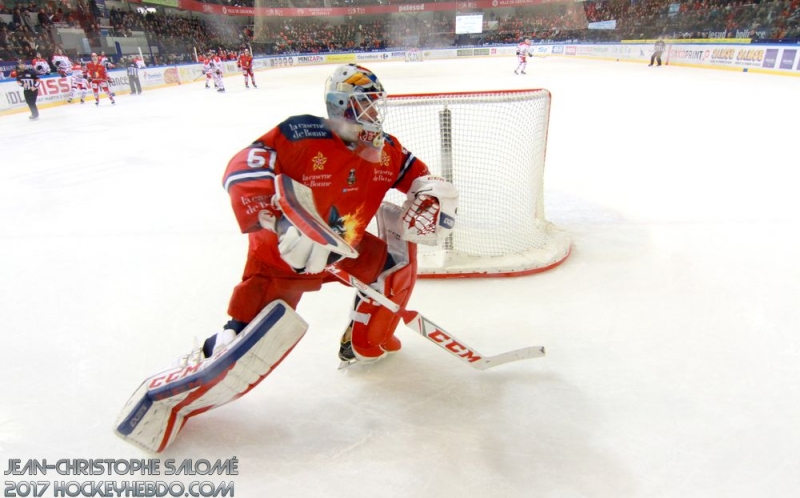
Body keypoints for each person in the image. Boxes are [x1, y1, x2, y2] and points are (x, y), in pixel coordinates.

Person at [115, 64, 459, 453]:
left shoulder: (387, 150)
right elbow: (241, 168)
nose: (374, 113)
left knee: (393, 270)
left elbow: (417, 175)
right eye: (366, 104)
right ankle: (173, 395)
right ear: (341, 105)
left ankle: (365, 343)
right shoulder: (300, 134)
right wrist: (277, 222)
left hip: (347, 244)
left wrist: (432, 192)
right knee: (247, 343)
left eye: (376, 104)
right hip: (287, 254)